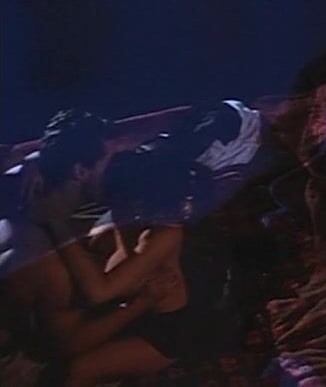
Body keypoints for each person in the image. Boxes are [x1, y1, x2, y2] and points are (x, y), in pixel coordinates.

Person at [42, 147, 238, 387]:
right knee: (60, 335)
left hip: (166, 332)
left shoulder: (166, 232)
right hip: (135, 307)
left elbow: (99, 293)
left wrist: (55, 223)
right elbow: (114, 258)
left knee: (78, 371)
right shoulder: (124, 214)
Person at [0, 109, 169, 385]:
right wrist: (141, 304)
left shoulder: (20, 190)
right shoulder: (52, 266)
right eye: (110, 162)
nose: (119, 170)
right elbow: (63, 346)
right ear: (79, 171)